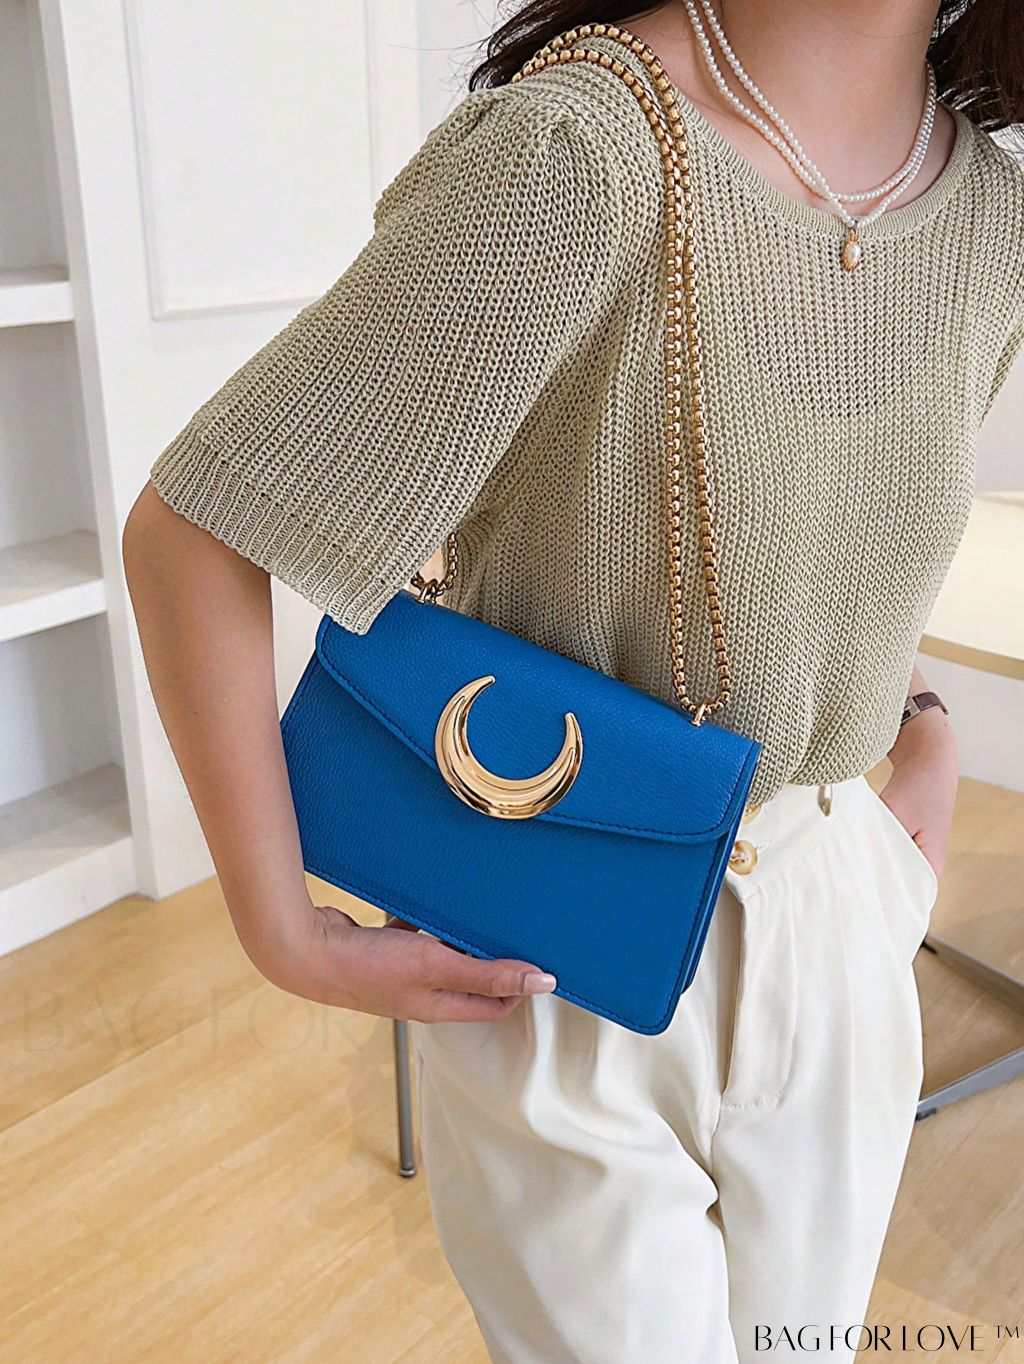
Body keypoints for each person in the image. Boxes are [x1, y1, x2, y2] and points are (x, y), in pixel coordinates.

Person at [123, 1, 1023, 1359]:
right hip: (562, 934)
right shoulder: (576, 156)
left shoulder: (991, 219)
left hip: (843, 912)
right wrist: (281, 928)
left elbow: (846, 532)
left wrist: (919, 747)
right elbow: (196, 532)